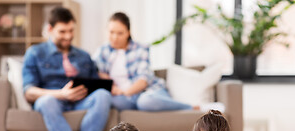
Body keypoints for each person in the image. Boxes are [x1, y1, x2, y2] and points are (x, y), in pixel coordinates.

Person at [22, 7, 112, 131]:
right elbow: (29, 91)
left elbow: (96, 85)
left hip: (80, 100)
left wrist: (103, 79)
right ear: (50, 29)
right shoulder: (35, 53)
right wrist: (61, 94)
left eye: (71, 31)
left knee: (103, 96)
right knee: (46, 101)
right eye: (62, 31)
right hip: (53, 99)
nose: (68, 36)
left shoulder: (83, 56)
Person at [94, 12, 223, 112]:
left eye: (120, 33)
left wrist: (125, 91)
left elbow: (143, 80)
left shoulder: (140, 49)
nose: (115, 37)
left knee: (145, 102)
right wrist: (110, 85)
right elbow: (94, 71)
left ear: (128, 32)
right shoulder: (103, 51)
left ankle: (194, 107)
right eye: (111, 32)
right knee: (104, 99)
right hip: (123, 99)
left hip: (146, 92)